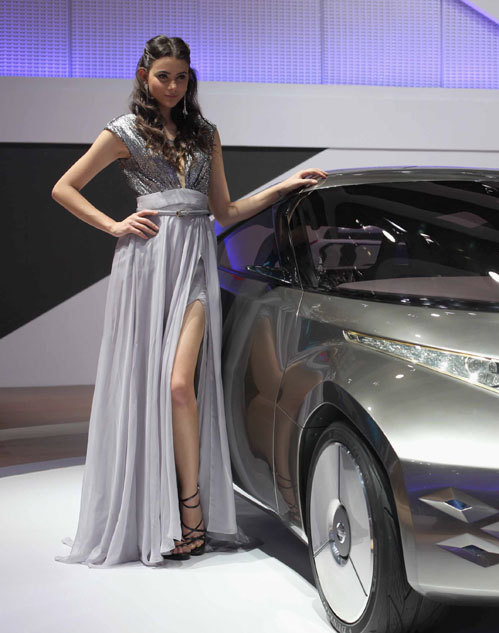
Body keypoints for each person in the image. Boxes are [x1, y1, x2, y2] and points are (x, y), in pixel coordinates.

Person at [51, 35, 327, 566]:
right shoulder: (123, 130)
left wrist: (284, 186)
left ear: (189, 78)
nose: (172, 86)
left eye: (180, 77)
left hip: (195, 261)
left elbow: (224, 210)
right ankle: (164, 513)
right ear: (143, 76)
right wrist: (112, 223)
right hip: (147, 266)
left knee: (181, 384)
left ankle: (193, 515)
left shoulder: (206, 133)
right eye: (163, 77)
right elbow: (65, 187)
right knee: (146, 383)